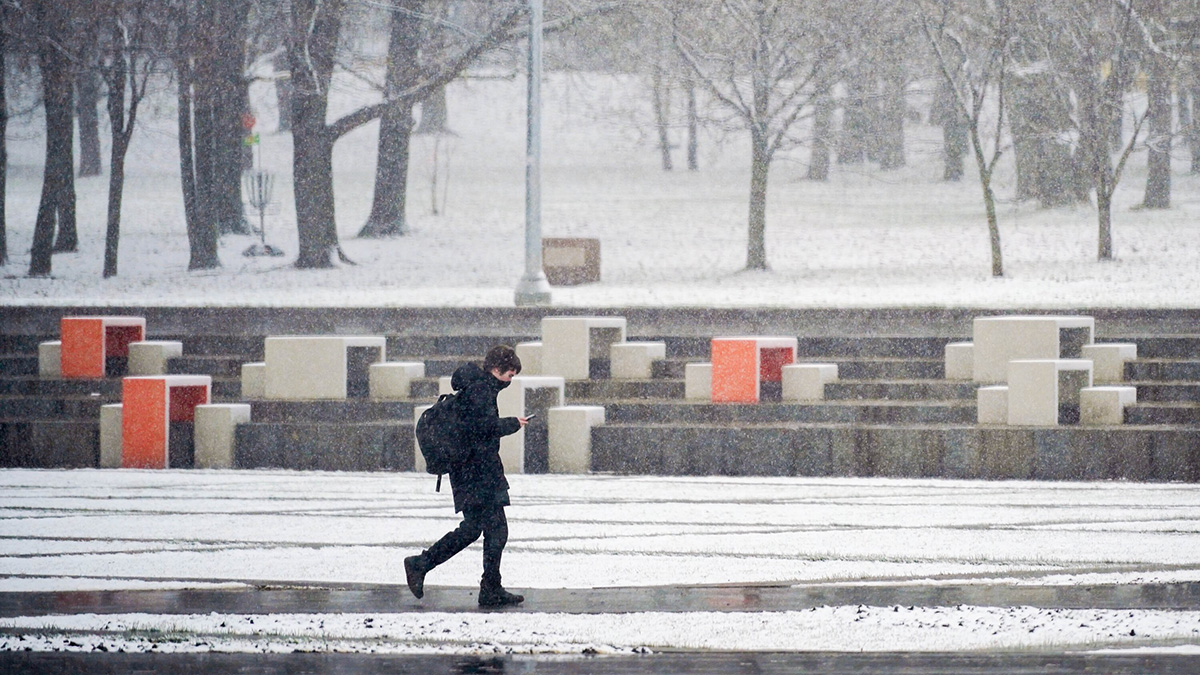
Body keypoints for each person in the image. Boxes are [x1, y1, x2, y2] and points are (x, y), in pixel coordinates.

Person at [404, 345, 530, 607]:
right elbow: (481, 428)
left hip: (473, 470)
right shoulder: (481, 390)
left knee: (478, 529)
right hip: (476, 472)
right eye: (510, 374)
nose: (510, 380)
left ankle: (426, 565)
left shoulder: (478, 388)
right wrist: (512, 424)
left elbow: (475, 429)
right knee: (493, 531)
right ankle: (483, 585)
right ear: (496, 370)